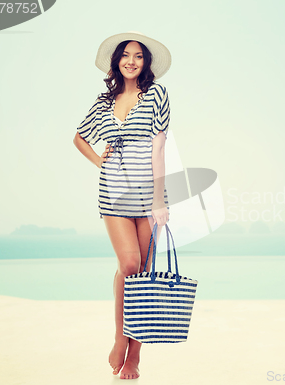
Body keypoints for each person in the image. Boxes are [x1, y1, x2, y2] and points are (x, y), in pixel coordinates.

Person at [73, 31, 172, 380]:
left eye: (139, 56)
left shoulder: (156, 94)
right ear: (117, 61)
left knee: (144, 273)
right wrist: (100, 163)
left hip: (149, 192)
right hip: (112, 191)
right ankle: (119, 337)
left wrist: (160, 199)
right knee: (129, 263)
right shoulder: (103, 102)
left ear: (145, 63)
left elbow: (158, 148)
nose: (132, 61)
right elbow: (79, 138)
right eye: (126, 55)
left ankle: (134, 355)